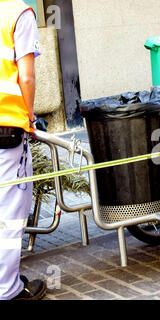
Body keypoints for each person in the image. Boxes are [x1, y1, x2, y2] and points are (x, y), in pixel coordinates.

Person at [0, 0, 45, 300]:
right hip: (6, 128)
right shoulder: (19, 13)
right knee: (9, 214)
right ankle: (8, 289)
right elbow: (26, 77)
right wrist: (30, 118)